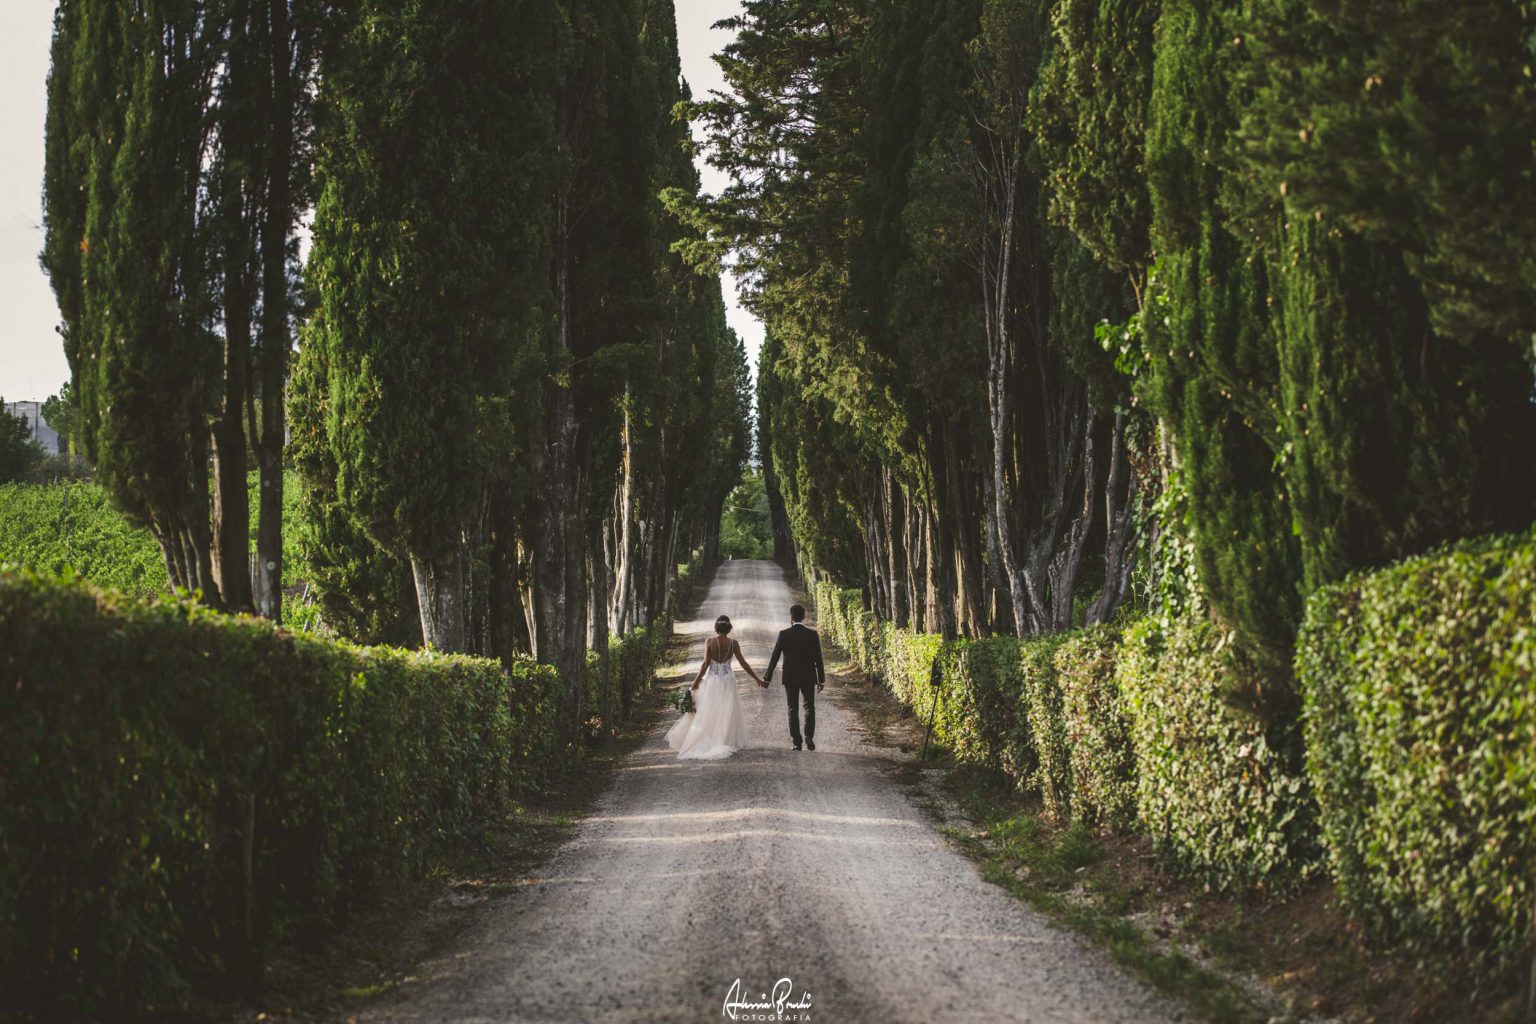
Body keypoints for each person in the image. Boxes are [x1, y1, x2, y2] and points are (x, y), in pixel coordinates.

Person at [665, 614, 765, 759]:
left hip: (713, 681)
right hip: (728, 681)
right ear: (729, 628)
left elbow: (705, 665)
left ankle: (710, 737)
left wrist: (695, 682)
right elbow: (743, 663)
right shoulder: (733, 643)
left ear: (716, 627)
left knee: (710, 709)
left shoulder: (710, 641)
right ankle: (724, 739)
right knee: (727, 710)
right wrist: (757, 678)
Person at [764, 603, 825, 751]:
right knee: (809, 706)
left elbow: (774, 657)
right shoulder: (812, 634)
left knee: (792, 708)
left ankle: (797, 742)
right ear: (803, 617)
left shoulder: (784, 634)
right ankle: (809, 736)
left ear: (791, 618)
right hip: (808, 676)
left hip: (790, 677)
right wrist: (821, 679)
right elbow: (818, 658)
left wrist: (767, 678)